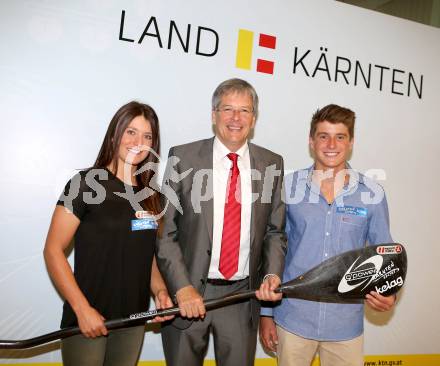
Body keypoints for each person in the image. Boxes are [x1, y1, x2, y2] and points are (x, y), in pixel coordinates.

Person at [156, 78, 287, 366]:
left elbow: (275, 232)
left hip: (242, 298)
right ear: (214, 114)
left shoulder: (271, 164)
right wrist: (181, 287)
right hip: (188, 295)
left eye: (245, 110)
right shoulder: (183, 157)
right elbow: (165, 232)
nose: (236, 118)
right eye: (227, 109)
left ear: (254, 118)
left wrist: (271, 275)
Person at [260, 104, 397, 366]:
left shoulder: (372, 193)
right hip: (293, 320)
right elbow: (273, 249)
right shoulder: (288, 188)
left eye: (340, 136)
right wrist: (267, 314)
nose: (331, 144)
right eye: (323, 136)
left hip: (344, 325)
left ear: (351, 142)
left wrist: (388, 291)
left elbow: (385, 253)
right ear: (311, 141)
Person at [43, 101, 173, 366]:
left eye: (147, 136)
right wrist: (82, 309)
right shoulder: (84, 184)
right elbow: (53, 251)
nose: (139, 141)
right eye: (131, 131)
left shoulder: (153, 197)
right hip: (88, 320)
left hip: (133, 321)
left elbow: (143, 255)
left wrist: (160, 291)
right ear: (115, 134)